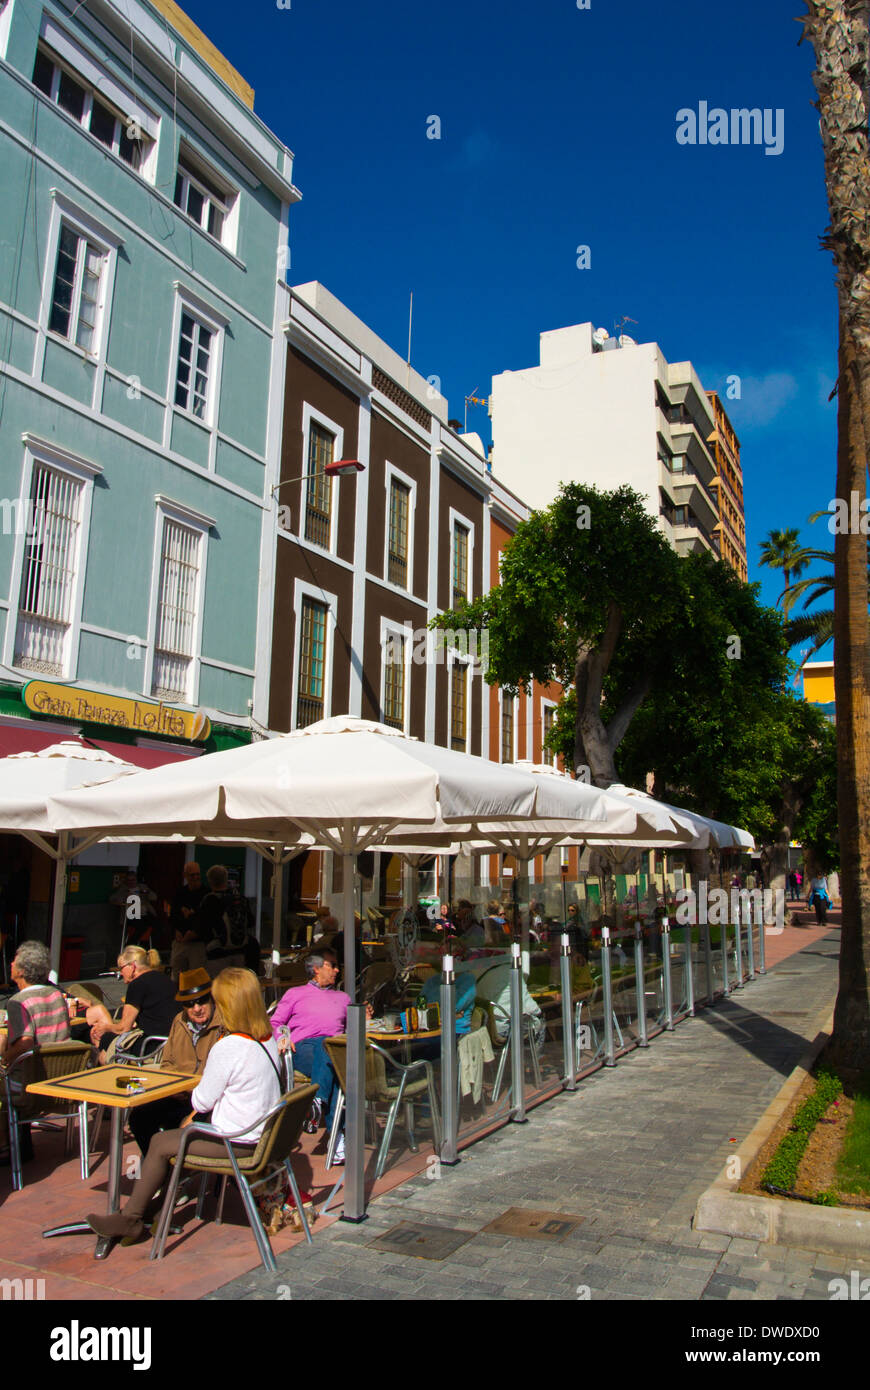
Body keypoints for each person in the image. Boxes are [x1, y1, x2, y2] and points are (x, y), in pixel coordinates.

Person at [85, 969, 281, 1245]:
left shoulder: (230, 1045)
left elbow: (201, 1101)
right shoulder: (268, 1038)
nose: (200, 1007)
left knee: (161, 1143)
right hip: (261, 1133)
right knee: (149, 1122)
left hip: (236, 1140)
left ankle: (130, 1219)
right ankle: (146, 1211)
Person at [269, 949, 371, 1162]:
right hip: (304, 1049)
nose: (336, 969)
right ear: (316, 969)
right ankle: (337, 1137)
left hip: (333, 1050)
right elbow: (275, 1022)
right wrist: (281, 1037)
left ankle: (318, 1103)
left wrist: (365, 1016)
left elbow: (353, 1029)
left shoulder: (343, 997)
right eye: (331, 965)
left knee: (333, 1065)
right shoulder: (295, 994)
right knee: (330, 1059)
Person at [128, 968, 225, 1155]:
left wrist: (195, 1092)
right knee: (139, 1118)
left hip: (209, 1101)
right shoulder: (178, 1022)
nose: (196, 1008)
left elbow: (223, 1076)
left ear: (211, 998)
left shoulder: (224, 1025)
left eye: (201, 1001)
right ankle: (163, 1169)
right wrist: (176, 1088)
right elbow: (167, 1062)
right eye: (189, 1004)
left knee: (182, 1127)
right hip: (179, 1095)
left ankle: (173, 1170)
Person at [0, 941, 70, 1162]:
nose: (10, 963)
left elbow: (25, 1042)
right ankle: (20, 1144)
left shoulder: (18, 1001)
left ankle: (6, 1147)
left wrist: (4, 1059)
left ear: (21, 971)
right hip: (61, 1079)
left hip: (32, 1084)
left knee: (3, 1083)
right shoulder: (57, 995)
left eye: (14, 960)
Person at [85, 946, 180, 1063]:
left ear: (132, 966)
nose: (120, 972)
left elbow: (124, 1028)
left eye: (121, 968)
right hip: (171, 1041)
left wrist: (105, 1028)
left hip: (151, 1045)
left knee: (105, 1039)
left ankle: (106, 1070)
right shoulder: (165, 979)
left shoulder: (137, 984)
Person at [200, 865, 249, 976]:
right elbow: (251, 922)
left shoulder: (209, 900)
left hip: (217, 953)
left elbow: (201, 926)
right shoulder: (240, 899)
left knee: (218, 989)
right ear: (226, 879)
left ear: (210, 881)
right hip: (239, 952)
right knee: (236, 989)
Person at [169, 862, 207, 980]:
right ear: (185, 875)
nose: (195, 878)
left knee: (196, 978)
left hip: (198, 944)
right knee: (177, 976)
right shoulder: (180, 893)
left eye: (197, 874)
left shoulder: (206, 894)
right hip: (180, 942)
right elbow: (173, 914)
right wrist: (176, 930)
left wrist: (195, 932)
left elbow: (206, 919)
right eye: (192, 875)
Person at [110, 869, 158, 947]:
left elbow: (154, 897)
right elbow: (112, 899)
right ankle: (130, 944)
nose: (131, 882)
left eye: (133, 880)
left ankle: (147, 948)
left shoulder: (142, 887)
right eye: (129, 880)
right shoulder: (123, 889)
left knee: (155, 923)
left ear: (136, 880)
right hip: (131, 915)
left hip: (144, 913)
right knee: (142, 925)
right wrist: (125, 897)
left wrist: (147, 893)